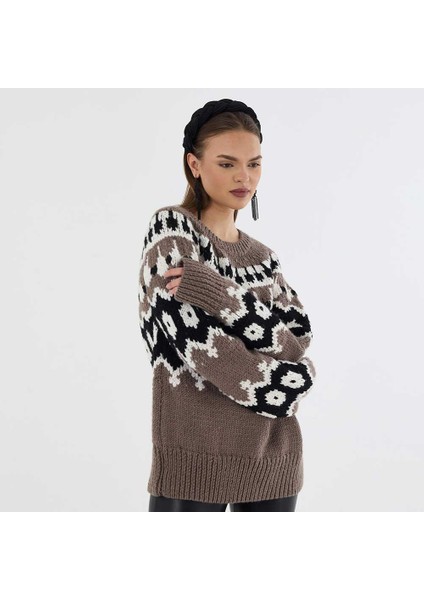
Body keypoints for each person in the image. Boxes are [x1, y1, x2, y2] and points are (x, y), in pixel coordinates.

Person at [138, 98, 316, 512]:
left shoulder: (265, 258)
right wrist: (288, 382)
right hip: (193, 458)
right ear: (194, 164)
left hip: (275, 459)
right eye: (227, 163)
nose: (244, 176)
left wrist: (219, 294)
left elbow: (297, 341)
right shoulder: (171, 231)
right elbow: (202, 348)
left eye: (254, 164)